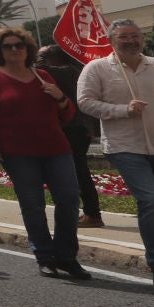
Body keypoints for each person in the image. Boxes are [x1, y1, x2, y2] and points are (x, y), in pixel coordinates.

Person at [77, 18, 154, 294]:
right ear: (112, 41)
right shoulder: (96, 68)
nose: (131, 41)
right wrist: (122, 110)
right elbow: (85, 102)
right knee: (151, 201)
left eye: (135, 36)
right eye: (123, 37)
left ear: (142, 38)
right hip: (124, 147)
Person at [0, 26, 89, 278]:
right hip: (18, 152)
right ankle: (45, 256)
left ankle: (66, 256)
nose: (15, 50)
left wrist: (60, 97)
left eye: (19, 45)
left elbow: (67, 115)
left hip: (56, 148)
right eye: (8, 46)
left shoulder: (44, 76)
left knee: (69, 200)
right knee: (32, 204)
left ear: (28, 49)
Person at [37, 43, 104, 226]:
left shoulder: (67, 71)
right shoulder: (75, 71)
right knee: (78, 171)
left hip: (72, 128)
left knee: (79, 172)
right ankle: (90, 212)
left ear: (54, 58)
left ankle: (93, 213)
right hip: (78, 128)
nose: (40, 61)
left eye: (42, 57)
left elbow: (38, 70)